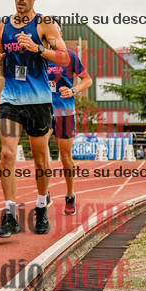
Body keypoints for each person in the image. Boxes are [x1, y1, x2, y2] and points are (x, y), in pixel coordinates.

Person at [0, 0, 69, 238]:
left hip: (38, 101)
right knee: (7, 154)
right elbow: (0, 53)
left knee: (40, 159)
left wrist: (37, 48)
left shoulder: (45, 24)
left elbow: (64, 57)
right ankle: (10, 215)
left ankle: (41, 205)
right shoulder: (2, 25)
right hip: (10, 99)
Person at [47, 20, 92, 215]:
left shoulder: (70, 56)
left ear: (60, 33)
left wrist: (73, 90)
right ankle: (43, 193)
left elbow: (87, 80)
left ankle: (70, 194)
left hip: (64, 111)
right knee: (41, 153)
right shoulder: (38, 55)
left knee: (65, 156)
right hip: (43, 110)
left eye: (54, 30)